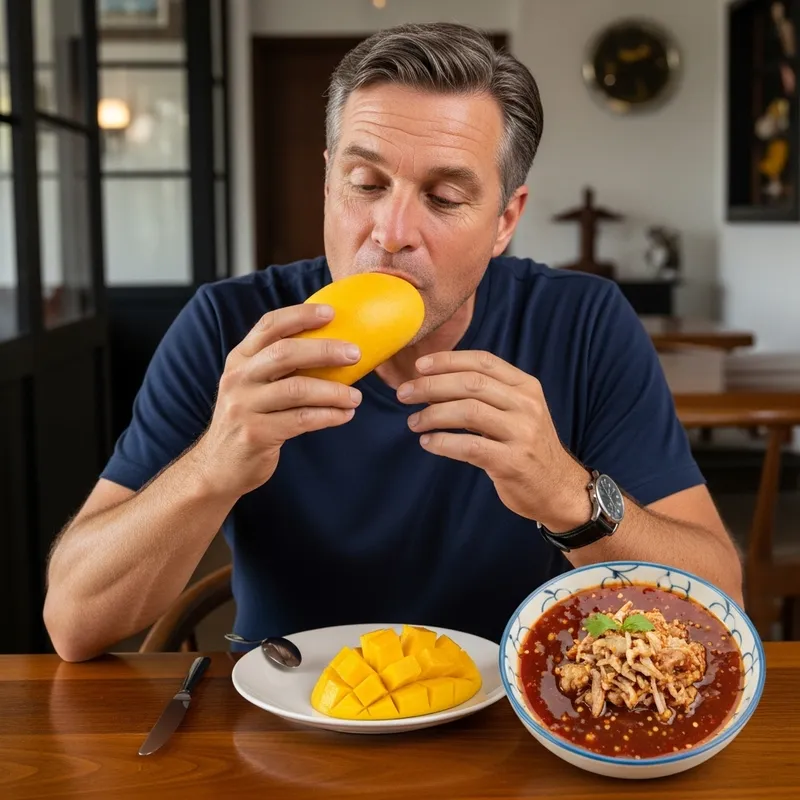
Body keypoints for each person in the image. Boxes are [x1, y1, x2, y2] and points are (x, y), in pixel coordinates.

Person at [44, 22, 742, 663]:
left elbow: (721, 609)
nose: (391, 230)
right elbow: (74, 624)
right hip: (284, 730)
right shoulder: (230, 328)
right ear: (327, 184)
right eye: (365, 183)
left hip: (518, 728)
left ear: (505, 221)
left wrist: (568, 492)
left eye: (443, 198)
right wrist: (212, 467)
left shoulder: (581, 321)